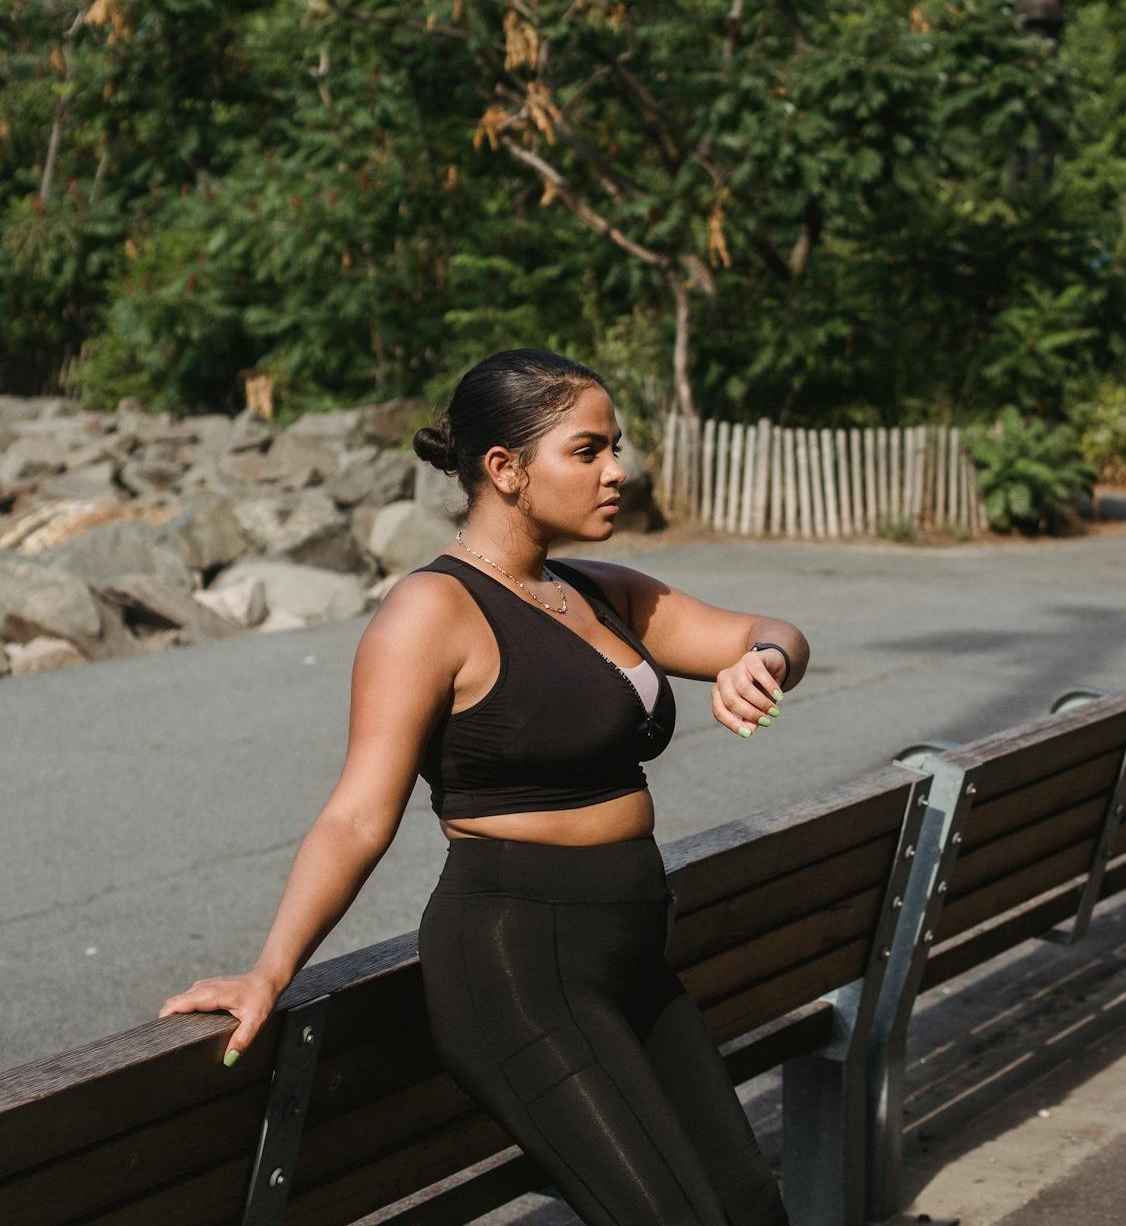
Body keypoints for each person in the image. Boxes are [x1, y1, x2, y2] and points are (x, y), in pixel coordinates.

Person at [157, 349, 806, 1225]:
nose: (618, 471)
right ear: (504, 469)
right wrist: (270, 970)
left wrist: (761, 663)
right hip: (519, 966)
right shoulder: (431, 611)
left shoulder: (594, 591)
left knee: (748, 1210)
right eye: (588, 451)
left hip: (631, 962)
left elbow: (773, 632)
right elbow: (357, 814)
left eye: (615, 447)